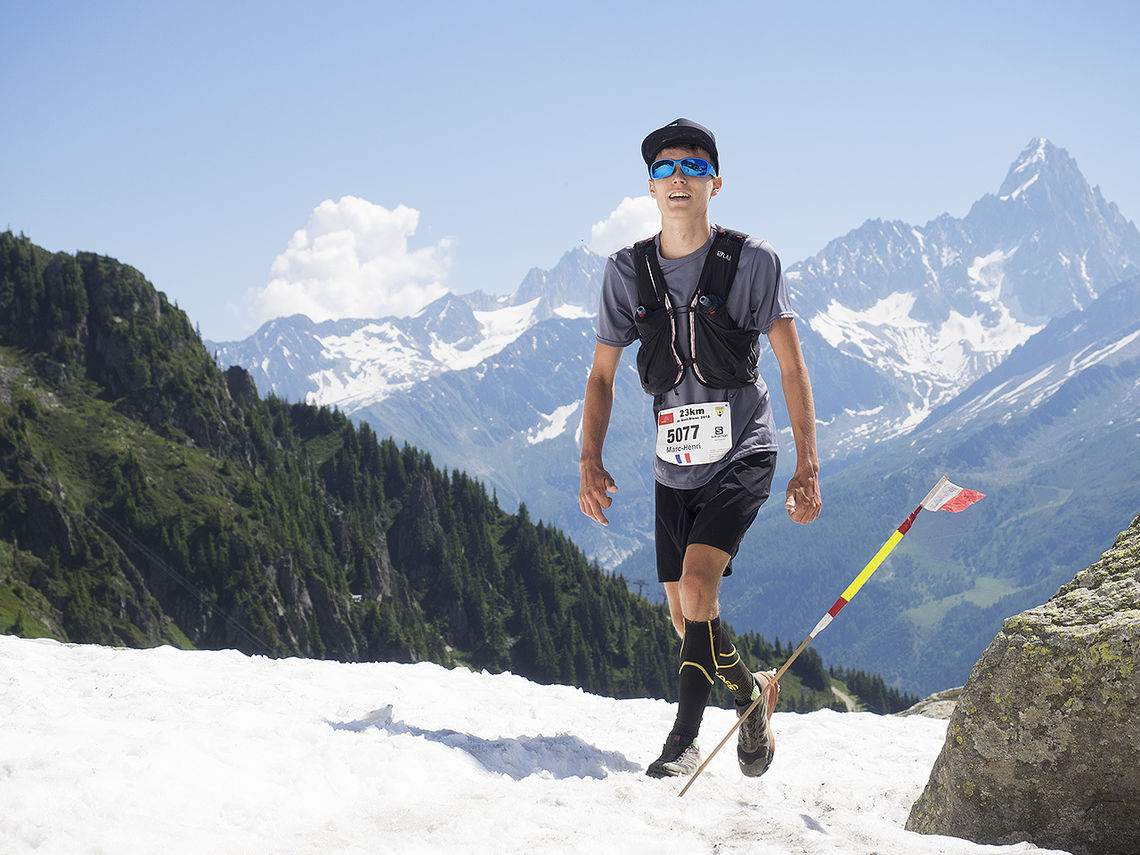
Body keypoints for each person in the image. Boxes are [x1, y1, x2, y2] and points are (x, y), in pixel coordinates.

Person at [578, 118, 821, 779]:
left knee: (695, 586)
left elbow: (793, 368)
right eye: (663, 169)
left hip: (744, 448)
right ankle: (752, 695)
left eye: (691, 167)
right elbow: (601, 377)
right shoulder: (626, 273)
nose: (677, 179)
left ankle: (682, 742)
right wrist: (589, 459)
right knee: (689, 619)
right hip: (673, 467)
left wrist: (807, 462)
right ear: (650, 187)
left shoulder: (752, 262)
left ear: (715, 182)